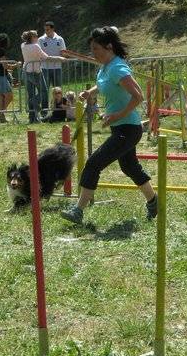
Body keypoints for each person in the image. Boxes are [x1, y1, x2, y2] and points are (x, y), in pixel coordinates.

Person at [61, 26, 157, 224]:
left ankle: (78, 210)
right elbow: (105, 83)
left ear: (109, 47)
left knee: (93, 164)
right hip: (121, 127)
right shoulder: (106, 67)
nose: (93, 53)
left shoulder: (117, 67)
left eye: (96, 49)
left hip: (128, 128)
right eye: (92, 49)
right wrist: (90, 93)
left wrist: (116, 115)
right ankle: (154, 202)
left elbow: (138, 96)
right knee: (130, 167)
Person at [21, 30, 66, 122]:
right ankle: (33, 105)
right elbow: (47, 57)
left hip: (26, 71)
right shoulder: (35, 46)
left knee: (31, 94)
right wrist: (59, 58)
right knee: (44, 92)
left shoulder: (23, 45)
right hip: (36, 72)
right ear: (32, 38)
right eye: (36, 36)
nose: (37, 38)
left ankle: (32, 118)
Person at [38, 21, 66, 107]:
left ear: (53, 29)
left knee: (58, 89)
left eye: (48, 29)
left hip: (57, 68)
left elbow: (63, 52)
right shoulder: (41, 40)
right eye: (45, 30)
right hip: (44, 68)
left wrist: (63, 55)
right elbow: (39, 54)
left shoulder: (60, 39)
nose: (46, 31)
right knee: (44, 89)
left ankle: (58, 107)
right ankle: (45, 109)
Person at [0, 33, 15, 123]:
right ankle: (0, 113)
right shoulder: (1, 51)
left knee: (1, 95)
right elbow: (5, 65)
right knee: (9, 95)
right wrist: (15, 65)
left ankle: (1, 117)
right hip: (1, 76)